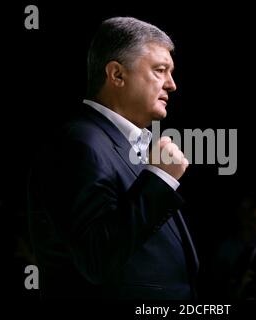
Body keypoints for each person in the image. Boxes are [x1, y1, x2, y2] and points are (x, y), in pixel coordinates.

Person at [27, 17, 198, 299]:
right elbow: (96, 259)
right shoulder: (77, 144)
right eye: (160, 70)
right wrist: (161, 178)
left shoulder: (112, 142)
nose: (172, 84)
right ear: (117, 75)